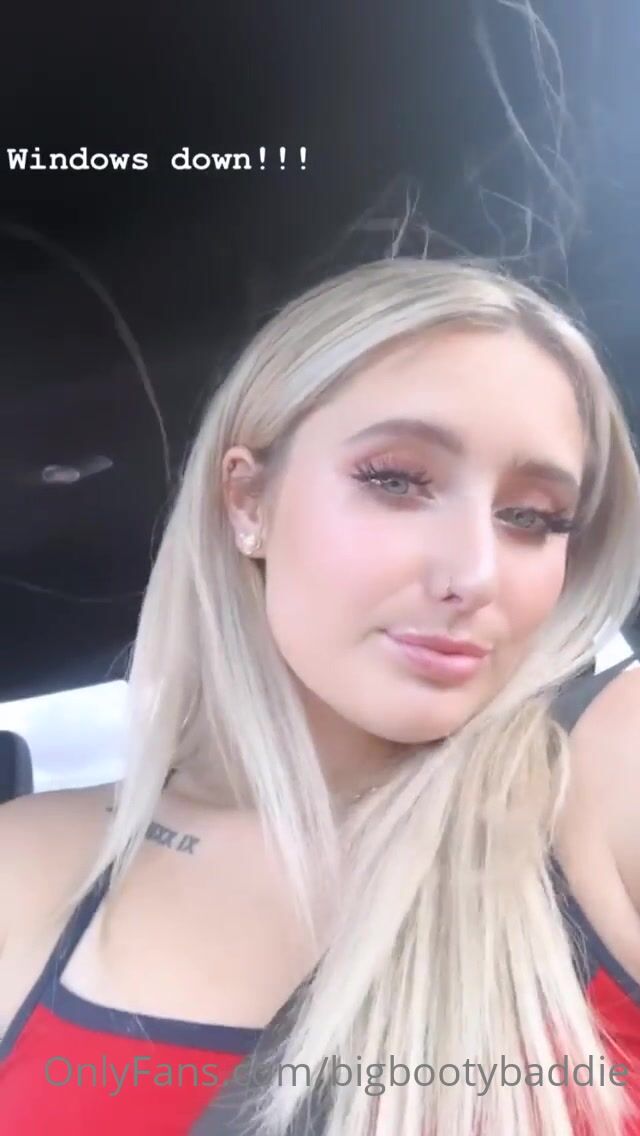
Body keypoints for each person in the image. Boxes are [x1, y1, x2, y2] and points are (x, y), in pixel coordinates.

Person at [1, 256, 640, 1136]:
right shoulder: (32, 863)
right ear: (247, 501)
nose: (475, 574)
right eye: (396, 480)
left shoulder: (601, 772)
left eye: (531, 517)